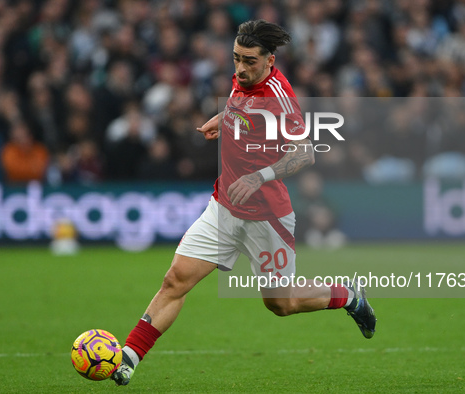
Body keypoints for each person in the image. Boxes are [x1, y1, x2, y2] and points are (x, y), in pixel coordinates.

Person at [111, 20, 376, 387]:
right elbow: (245, 108)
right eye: (236, 58)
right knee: (175, 280)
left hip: (267, 217)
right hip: (223, 207)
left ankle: (349, 296)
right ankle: (129, 356)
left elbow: (305, 153)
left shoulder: (279, 95)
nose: (239, 67)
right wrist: (226, 119)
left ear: (269, 62)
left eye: (249, 61)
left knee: (281, 305)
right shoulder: (243, 80)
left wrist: (259, 176)